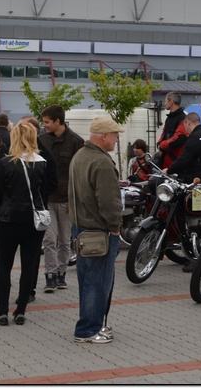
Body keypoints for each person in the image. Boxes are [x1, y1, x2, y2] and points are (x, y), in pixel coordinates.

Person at [68, 116, 125, 344]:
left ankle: (92, 323)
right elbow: (109, 202)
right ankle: (88, 329)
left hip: (80, 228)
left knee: (87, 280)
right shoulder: (101, 162)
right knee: (98, 282)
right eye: (115, 135)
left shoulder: (80, 156)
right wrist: (114, 229)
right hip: (98, 231)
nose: (117, 139)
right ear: (103, 136)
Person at [0, 122, 52, 326]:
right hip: (33, 223)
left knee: (4, 266)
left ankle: (2, 312)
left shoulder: (6, 162)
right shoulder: (42, 162)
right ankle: (21, 311)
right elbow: (46, 191)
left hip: (8, 219)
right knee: (29, 266)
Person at [38, 104, 84, 294]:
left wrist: (74, 200)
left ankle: (61, 274)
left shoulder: (76, 142)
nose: (44, 125)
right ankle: (50, 276)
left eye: (47, 122)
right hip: (47, 199)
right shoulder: (41, 140)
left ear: (58, 121)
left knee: (65, 240)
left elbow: (79, 174)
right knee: (49, 239)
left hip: (66, 200)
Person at [168, 112, 201, 184]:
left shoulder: (194, 138)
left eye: (184, 126)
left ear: (188, 122)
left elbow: (184, 158)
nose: (185, 129)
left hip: (196, 180)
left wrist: (169, 171)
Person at [156, 93, 187, 169]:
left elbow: (180, 138)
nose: (164, 103)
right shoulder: (169, 118)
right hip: (166, 159)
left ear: (171, 102)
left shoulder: (182, 118)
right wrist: (159, 144)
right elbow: (164, 134)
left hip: (176, 161)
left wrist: (161, 146)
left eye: (166, 101)